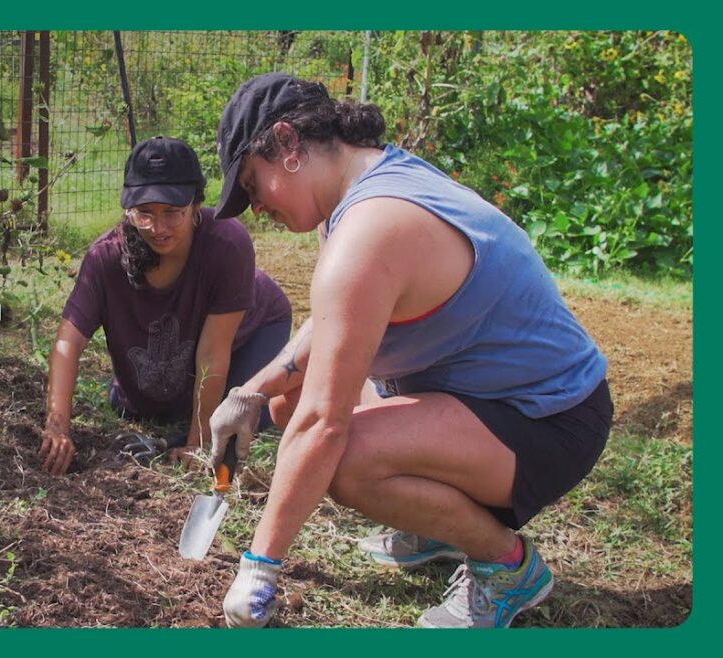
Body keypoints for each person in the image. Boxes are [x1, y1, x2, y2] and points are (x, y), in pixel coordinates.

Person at [207, 73, 613, 629]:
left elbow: (325, 424)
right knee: (287, 402)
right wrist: (252, 392)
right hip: (481, 395)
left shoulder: (372, 230)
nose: (255, 208)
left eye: (253, 186)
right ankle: (435, 524)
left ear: (288, 144)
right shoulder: (359, 190)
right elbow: (334, 324)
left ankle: (508, 569)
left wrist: (259, 568)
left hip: (548, 419)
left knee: (342, 458)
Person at [38, 136, 292, 476]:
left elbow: (213, 353)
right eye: (144, 214)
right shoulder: (106, 257)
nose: (158, 228)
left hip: (251, 330)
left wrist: (197, 443)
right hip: (177, 350)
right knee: (142, 408)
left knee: (237, 421)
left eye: (173, 213)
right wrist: (57, 426)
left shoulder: (227, 243)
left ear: (196, 204)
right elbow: (68, 344)